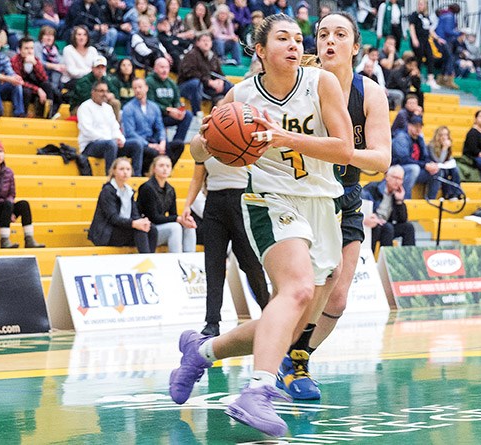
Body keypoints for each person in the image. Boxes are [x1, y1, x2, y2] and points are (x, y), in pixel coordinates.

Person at [168, 14, 354, 437]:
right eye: (282, 38)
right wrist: (205, 139)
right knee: (297, 289)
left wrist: (285, 137)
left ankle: (202, 351)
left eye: (297, 38)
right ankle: (257, 390)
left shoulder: (319, 83)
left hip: (322, 202)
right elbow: (202, 151)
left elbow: (344, 150)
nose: (294, 44)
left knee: (290, 324)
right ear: (259, 50)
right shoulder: (241, 96)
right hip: (268, 199)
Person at [275, 11, 392, 401]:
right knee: (305, 288)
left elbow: (381, 161)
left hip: (346, 194)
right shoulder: (301, 82)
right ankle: (273, 359)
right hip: (301, 194)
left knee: (338, 296)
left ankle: (297, 359)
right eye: (323, 33)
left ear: (355, 47)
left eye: (340, 34)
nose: (329, 41)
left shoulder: (370, 92)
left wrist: (340, 150)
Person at [183, 155, 270, 337]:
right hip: (214, 202)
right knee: (213, 265)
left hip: (243, 199)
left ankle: (268, 311)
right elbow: (197, 178)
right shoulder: (203, 141)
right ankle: (212, 322)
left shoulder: (246, 132)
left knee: (251, 265)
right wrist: (187, 206)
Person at [0, 140, 45, 248]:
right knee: (7, 204)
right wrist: (7, 208)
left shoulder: (8, 172)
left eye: (1, 151)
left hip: (6, 209)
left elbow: (12, 194)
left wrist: (9, 209)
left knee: (23, 204)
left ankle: (29, 239)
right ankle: (4, 240)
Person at [88, 157, 158, 252]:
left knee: (152, 229)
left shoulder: (129, 191)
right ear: (114, 171)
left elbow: (135, 215)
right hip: (106, 233)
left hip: (123, 229)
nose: (125, 172)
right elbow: (113, 218)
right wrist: (134, 223)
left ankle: (150, 259)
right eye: (121, 169)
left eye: (128, 169)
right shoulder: (107, 191)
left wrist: (142, 222)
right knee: (139, 230)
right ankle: (146, 260)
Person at [77, 80, 144, 176]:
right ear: (93, 92)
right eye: (101, 91)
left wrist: (120, 139)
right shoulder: (85, 107)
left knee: (136, 144)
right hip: (90, 145)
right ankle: (111, 177)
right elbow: (87, 131)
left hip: (110, 144)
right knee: (111, 144)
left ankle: (136, 177)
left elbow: (115, 127)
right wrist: (110, 139)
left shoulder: (108, 108)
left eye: (106, 91)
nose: (104, 94)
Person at [136, 155, 196, 253]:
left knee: (189, 227)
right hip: (149, 230)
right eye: (161, 165)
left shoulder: (170, 189)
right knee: (175, 227)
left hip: (162, 227)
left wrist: (184, 220)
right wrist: (178, 219)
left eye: (168, 166)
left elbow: (173, 214)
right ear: (154, 168)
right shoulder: (147, 188)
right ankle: (176, 261)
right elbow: (153, 217)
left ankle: (189, 261)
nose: (165, 169)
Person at [123, 78, 184, 173]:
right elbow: (130, 132)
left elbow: (160, 127)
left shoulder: (154, 107)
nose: (137, 90)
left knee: (179, 145)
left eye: (140, 87)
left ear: (146, 88)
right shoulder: (128, 108)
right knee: (153, 152)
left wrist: (162, 142)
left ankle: (165, 171)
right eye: (135, 88)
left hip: (154, 140)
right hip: (140, 142)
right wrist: (150, 145)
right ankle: (147, 171)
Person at [177, 32, 233, 116]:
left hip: (206, 87)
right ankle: (197, 114)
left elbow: (219, 73)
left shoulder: (213, 56)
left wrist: (220, 81)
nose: (206, 43)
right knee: (195, 83)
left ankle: (220, 114)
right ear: (197, 43)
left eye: (208, 41)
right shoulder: (191, 55)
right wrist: (209, 82)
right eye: (203, 40)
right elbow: (189, 73)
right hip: (186, 86)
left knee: (229, 86)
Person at [362, 165, 415, 249]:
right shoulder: (373, 188)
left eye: (400, 179)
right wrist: (372, 216)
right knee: (387, 227)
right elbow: (363, 205)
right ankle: (386, 259)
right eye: (395, 178)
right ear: (387, 177)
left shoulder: (396, 194)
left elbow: (402, 220)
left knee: (408, 227)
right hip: (373, 224)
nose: (397, 182)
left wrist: (399, 201)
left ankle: (409, 258)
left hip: (386, 225)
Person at [11, 36, 63, 118]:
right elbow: (19, 82)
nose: (29, 51)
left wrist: (35, 64)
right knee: (26, 92)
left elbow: (44, 78)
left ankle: (49, 115)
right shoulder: (14, 61)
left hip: (35, 88)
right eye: (26, 48)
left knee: (54, 92)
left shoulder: (36, 60)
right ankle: (22, 116)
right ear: (20, 50)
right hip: (22, 88)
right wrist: (37, 89)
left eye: (31, 48)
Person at [146, 57, 193, 144]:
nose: (165, 70)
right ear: (155, 68)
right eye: (162, 67)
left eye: (167, 67)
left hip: (168, 115)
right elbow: (150, 104)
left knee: (187, 115)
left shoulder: (171, 83)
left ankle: (176, 143)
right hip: (155, 116)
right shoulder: (149, 81)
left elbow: (176, 101)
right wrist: (168, 110)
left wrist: (179, 111)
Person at [391, 115, 436, 198]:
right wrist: (424, 165)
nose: (418, 129)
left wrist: (430, 164)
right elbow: (403, 160)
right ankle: (405, 200)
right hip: (398, 169)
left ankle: (431, 200)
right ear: (409, 125)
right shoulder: (401, 137)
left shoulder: (419, 138)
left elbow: (425, 157)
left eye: (420, 127)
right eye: (415, 126)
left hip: (415, 169)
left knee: (436, 170)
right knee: (414, 169)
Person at [406, 0, 439, 89]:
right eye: (419, 4)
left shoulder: (426, 16)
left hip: (426, 39)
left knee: (430, 57)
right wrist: (414, 39)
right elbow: (412, 28)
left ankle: (430, 78)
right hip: (418, 39)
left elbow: (430, 30)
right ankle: (416, 77)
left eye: (422, 4)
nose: (420, 6)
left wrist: (438, 38)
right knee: (419, 58)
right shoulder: (414, 15)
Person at [427, 125, 461, 199]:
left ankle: (457, 193)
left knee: (455, 170)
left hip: (444, 166)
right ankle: (448, 194)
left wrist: (450, 160)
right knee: (443, 172)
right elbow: (438, 161)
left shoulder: (447, 145)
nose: (444, 137)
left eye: (446, 135)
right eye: (441, 135)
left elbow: (449, 158)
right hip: (435, 167)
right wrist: (444, 148)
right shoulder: (431, 146)